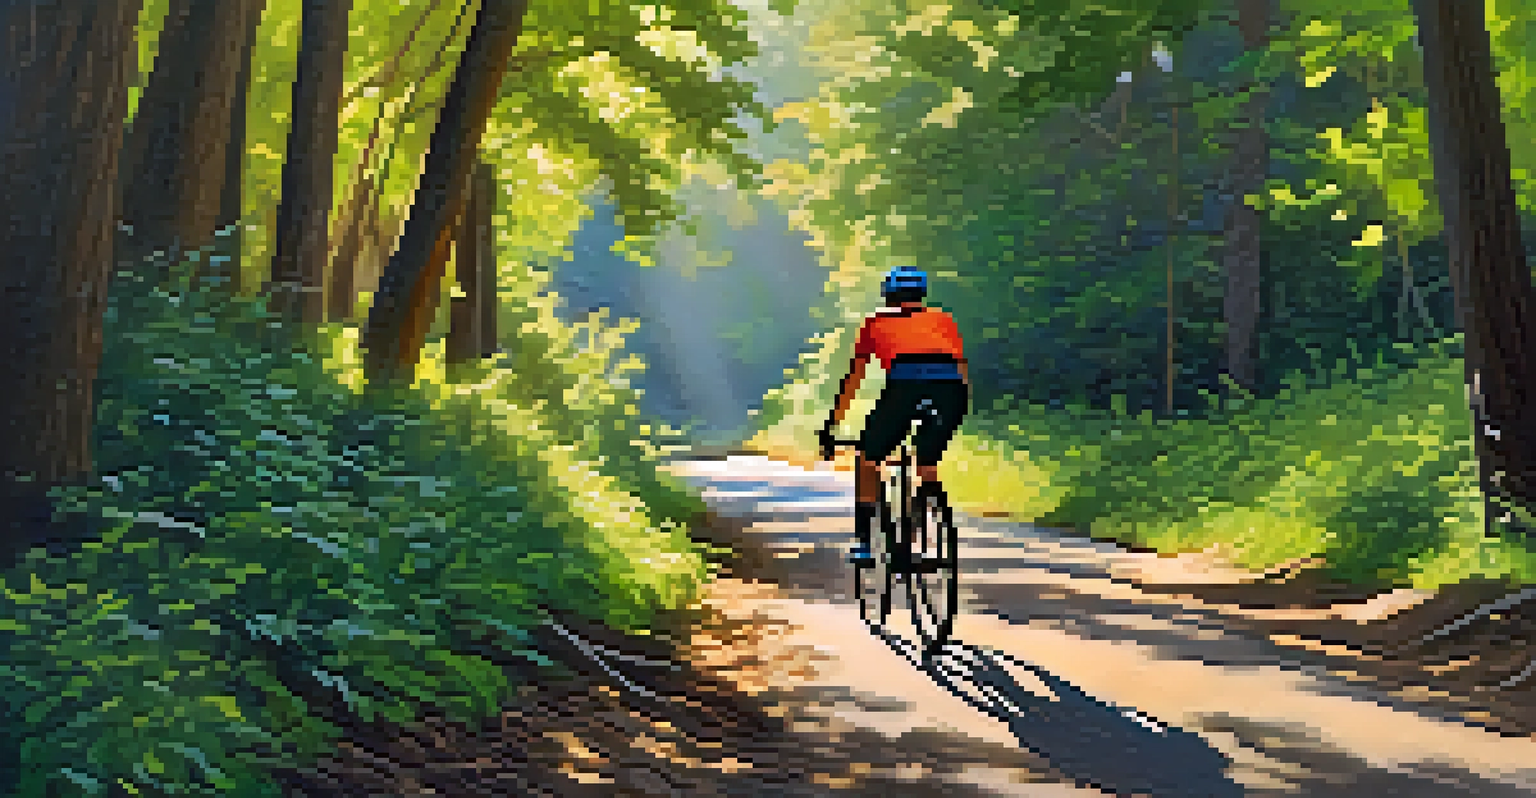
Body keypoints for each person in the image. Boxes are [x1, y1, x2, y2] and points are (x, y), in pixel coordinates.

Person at [819, 266, 969, 562]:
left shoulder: (875, 323)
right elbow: (961, 369)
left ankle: (863, 542)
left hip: (905, 387)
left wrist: (833, 424)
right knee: (927, 464)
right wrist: (957, 410)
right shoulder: (943, 320)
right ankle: (922, 521)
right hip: (951, 392)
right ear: (921, 295)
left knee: (868, 459)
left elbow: (854, 379)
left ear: (887, 295)